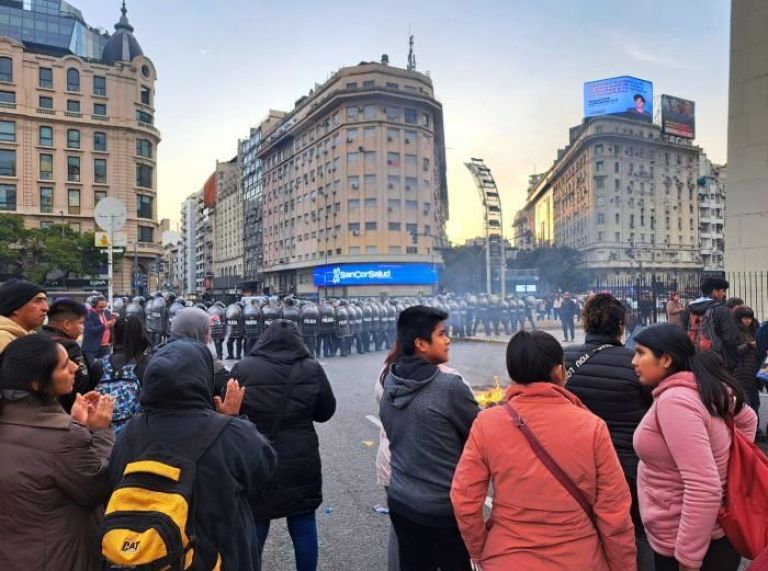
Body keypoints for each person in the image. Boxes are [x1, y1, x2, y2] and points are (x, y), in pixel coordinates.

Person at [451, 330, 636, 570]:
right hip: (579, 558)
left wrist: (480, 550)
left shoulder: (487, 423)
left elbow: (464, 499)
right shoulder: (591, 426)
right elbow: (614, 513)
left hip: (508, 557)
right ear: (559, 371)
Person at [108, 338, 277, 570]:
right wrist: (234, 419)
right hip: (220, 555)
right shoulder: (229, 432)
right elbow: (264, 471)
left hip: (152, 555)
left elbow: (113, 479)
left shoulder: (130, 432)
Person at [631, 324, 757, 571]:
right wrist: (729, 465)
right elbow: (748, 419)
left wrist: (689, 558)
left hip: (686, 540)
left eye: (640, 352)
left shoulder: (676, 402)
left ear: (666, 359)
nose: (634, 361)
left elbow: (703, 486)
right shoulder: (700, 387)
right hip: (701, 534)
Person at [0, 335, 115, 570]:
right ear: (37, 384)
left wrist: (76, 427)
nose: (75, 366)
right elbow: (99, 486)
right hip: (56, 558)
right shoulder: (62, 437)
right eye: (64, 365)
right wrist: (100, 431)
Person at [380, 306, 480, 571]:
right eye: (442, 334)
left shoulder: (391, 379)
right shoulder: (449, 388)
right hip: (441, 509)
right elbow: (480, 437)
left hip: (401, 500)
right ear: (421, 343)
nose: (448, 340)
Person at [231, 320, 336, 571]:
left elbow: (231, 411)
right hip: (301, 459)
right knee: (303, 524)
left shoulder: (244, 368)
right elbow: (325, 412)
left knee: (256, 524)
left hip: (258, 457)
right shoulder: (311, 368)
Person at [565, 294, 653, 570]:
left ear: (585, 323)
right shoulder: (635, 362)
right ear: (620, 325)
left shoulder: (562, 359)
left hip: (576, 463)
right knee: (636, 531)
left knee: (585, 530)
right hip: (627, 463)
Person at [39, 298, 99, 413]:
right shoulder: (70, 347)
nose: (83, 327)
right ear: (67, 324)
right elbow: (81, 384)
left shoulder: (35, 338)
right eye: (80, 323)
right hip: (68, 412)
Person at [95, 315, 151, 433]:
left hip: (103, 435)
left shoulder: (99, 366)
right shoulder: (146, 364)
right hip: (136, 435)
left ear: (115, 334)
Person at [686, 276, 742, 372]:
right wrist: (733, 360)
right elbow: (730, 338)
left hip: (695, 357)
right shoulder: (723, 310)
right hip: (717, 360)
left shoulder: (690, 309)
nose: (724, 294)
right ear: (714, 291)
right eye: (723, 290)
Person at [0, 279, 48, 352]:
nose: (46, 308)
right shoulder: (3, 339)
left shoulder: (29, 337)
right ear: (15, 307)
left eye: (45, 300)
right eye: (38, 301)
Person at [733, 306, 762, 419]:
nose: (748, 321)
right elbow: (734, 350)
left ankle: (755, 428)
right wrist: (749, 345)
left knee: (755, 402)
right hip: (741, 370)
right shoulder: (735, 331)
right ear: (739, 318)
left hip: (754, 370)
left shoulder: (755, 330)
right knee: (746, 403)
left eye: (749, 318)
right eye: (745, 318)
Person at [82, 295, 115, 365]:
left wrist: (113, 322)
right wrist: (105, 326)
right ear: (93, 305)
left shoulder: (107, 313)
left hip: (105, 346)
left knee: (107, 368)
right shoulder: (88, 314)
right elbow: (90, 329)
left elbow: (110, 327)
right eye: (100, 307)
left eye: (104, 306)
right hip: (91, 347)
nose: (103, 309)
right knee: (91, 369)